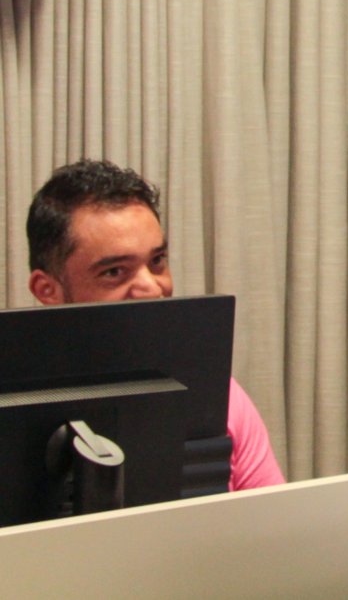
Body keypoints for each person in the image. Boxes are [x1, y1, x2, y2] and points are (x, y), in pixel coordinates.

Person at [26, 159, 287, 492]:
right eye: (114, 271)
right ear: (47, 290)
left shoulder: (222, 398)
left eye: (157, 261)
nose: (152, 287)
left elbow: (275, 520)